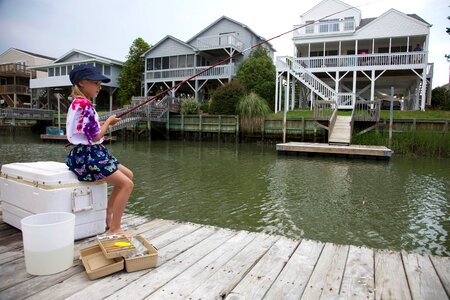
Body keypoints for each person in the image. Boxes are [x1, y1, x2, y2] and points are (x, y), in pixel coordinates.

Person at [65, 64, 134, 236]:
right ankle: (115, 228)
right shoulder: (85, 105)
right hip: (89, 156)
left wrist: (101, 125)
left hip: (91, 153)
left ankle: (107, 211)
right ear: (81, 82)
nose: (99, 86)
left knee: (129, 175)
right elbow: (95, 137)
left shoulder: (77, 103)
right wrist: (109, 123)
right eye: (95, 83)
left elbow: (87, 131)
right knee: (127, 184)